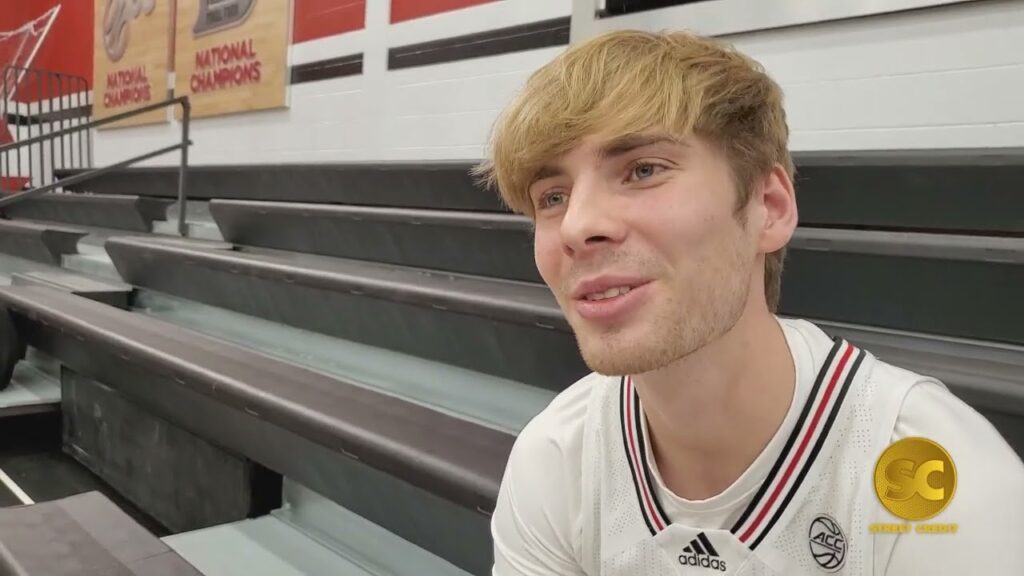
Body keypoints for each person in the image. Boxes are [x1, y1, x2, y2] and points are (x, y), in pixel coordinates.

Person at [475, 29, 1024, 575]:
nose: (577, 225)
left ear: (768, 207)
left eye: (643, 170)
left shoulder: (934, 478)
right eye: (552, 197)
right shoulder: (556, 456)